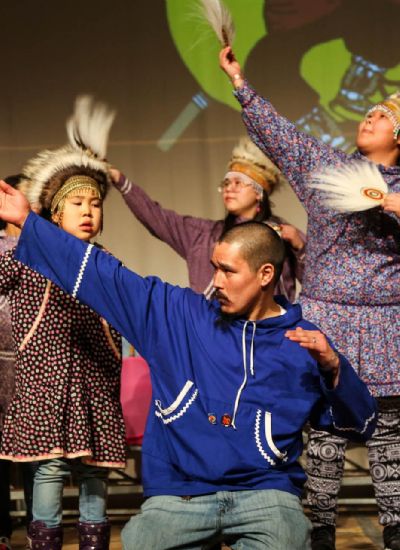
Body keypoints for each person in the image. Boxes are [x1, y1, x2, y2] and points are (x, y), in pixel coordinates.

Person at [0, 181, 378, 549]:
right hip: (180, 494)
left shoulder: (303, 342)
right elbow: (104, 274)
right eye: (214, 267)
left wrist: (333, 369)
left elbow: (360, 426)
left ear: (265, 275)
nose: (215, 281)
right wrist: (29, 222)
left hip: (264, 495)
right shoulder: (179, 315)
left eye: (228, 271)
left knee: (287, 537)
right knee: (141, 541)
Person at [219, 45, 400, 550]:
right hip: (325, 315)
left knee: (388, 430)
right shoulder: (329, 169)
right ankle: (318, 523)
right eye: (368, 112)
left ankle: (396, 526)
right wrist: (239, 83)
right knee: (322, 428)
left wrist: (386, 200)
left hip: (388, 322)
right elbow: (286, 138)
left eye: (381, 116)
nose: (369, 117)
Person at [0, 98, 126, 550]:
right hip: (45, 383)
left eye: (95, 203)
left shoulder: (108, 261)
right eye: (77, 203)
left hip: (93, 380)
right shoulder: (27, 255)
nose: (89, 211)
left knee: (93, 471)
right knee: (49, 467)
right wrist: (18, 232)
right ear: (55, 212)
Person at [111, 136, 305, 300]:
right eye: (227, 182)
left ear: (259, 192)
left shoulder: (283, 234)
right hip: (214, 334)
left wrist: (300, 247)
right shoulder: (203, 235)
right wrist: (120, 180)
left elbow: (321, 284)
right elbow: (157, 217)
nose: (230, 188)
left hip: (271, 336)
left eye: (239, 182)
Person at [0, 175, 36, 550]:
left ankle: (38, 526)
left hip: (33, 365)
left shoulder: (45, 248)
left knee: (34, 456)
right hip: (0, 367)